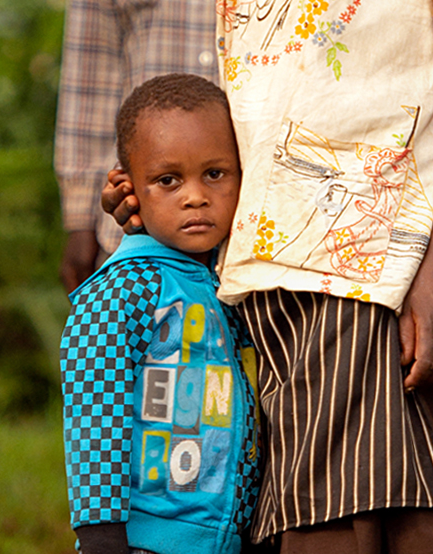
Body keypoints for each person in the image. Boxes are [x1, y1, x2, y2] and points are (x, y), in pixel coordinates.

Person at [102, 2, 433, 552]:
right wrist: (161, 194)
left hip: (387, 272)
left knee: (375, 516)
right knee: (312, 509)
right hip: (270, 275)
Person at [60, 73, 260, 554]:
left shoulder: (223, 282)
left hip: (224, 535)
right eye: (168, 181)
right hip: (144, 540)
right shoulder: (126, 288)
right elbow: (92, 407)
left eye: (215, 174)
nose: (195, 196)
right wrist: (101, 536)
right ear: (129, 189)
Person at [54, 0, 222, 293]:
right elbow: (91, 66)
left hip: (263, 226)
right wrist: (81, 216)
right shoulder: (122, 293)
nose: (194, 197)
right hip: (132, 226)